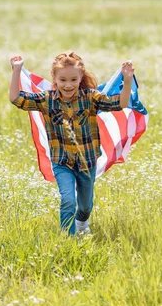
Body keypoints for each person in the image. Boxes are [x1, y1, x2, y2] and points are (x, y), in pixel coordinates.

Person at [9, 51, 134, 235]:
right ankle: (68, 237)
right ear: (55, 79)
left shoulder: (91, 98)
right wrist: (16, 71)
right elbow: (16, 99)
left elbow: (121, 103)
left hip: (86, 162)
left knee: (84, 207)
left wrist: (127, 78)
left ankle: (82, 223)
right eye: (63, 80)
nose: (68, 85)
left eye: (73, 80)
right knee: (68, 200)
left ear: (81, 77)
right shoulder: (46, 100)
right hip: (62, 162)